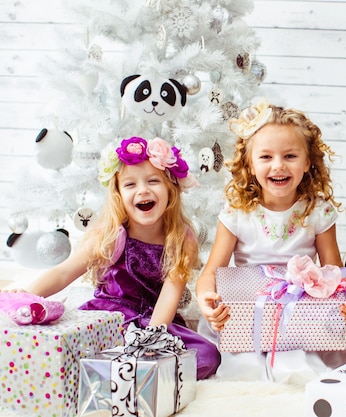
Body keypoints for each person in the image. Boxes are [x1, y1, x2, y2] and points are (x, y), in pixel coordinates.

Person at [10, 136, 220, 380]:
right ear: (119, 194)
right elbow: (65, 272)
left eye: (153, 181)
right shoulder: (113, 234)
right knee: (74, 348)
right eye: (130, 184)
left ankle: (129, 370)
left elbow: (170, 294)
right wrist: (26, 294)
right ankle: (121, 370)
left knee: (206, 356)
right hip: (111, 317)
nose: (143, 190)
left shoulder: (181, 237)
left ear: (170, 190)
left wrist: (150, 341)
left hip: (155, 320)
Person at [195, 98, 346, 383]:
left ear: (308, 161)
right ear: (249, 162)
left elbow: (335, 269)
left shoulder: (317, 210)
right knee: (246, 371)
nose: (278, 166)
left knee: (308, 371)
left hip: (301, 315)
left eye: (290, 156)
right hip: (250, 314)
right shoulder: (237, 212)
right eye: (265, 157)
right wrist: (206, 299)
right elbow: (211, 271)